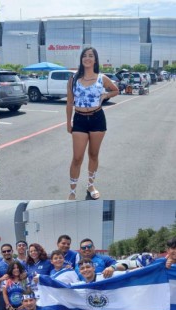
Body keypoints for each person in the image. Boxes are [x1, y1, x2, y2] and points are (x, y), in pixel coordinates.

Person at [66, 47, 119, 200]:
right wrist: (68, 122)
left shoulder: (102, 78)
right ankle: (72, 191)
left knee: (94, 155)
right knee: (77, 158)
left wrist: (105, 95)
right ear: (81, 59)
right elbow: (69, 103)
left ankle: (90, 185)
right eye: (84, 56)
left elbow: (115, 90)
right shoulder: (73, 79)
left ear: (95, 60)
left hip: (97, 119)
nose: (87, 58)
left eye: (91, 56)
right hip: (80, 120)